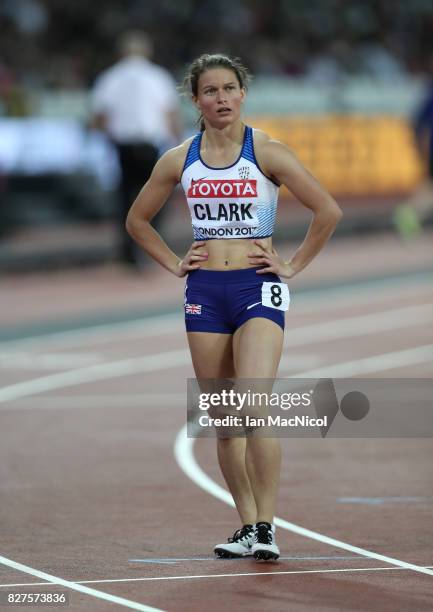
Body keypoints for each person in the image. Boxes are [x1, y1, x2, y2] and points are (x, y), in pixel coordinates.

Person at [126, 53, 342, 561]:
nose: (221, 99)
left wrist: (292, 265)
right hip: (204, 292)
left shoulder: (267, 152)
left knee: (253, 403)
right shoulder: (179, 158)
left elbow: (327, 209)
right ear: (195, 99)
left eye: (229, 89)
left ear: (243, 93)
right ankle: (247, 524)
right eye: (210, 91)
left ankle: (268, 525)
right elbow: (137, 221)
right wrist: (175, 262)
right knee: (225, 419)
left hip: (257, 287)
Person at [90, 30, 182, 266]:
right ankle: (151, 247)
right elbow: (171, 114)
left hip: (122, 146)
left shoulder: (109, 77)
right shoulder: (158, 76)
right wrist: (179, 145)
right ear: (146, 51)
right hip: (150, 146)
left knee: (125, 200)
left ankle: (128, 252)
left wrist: (104, 136)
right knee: (157, 197)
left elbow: (99, 117)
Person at [393, 53, 433, 239]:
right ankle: (410, 213)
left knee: (432, 188)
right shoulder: (432, 92)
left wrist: (419, 145)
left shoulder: (432, 92)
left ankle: (410, 213)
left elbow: (417, 122)